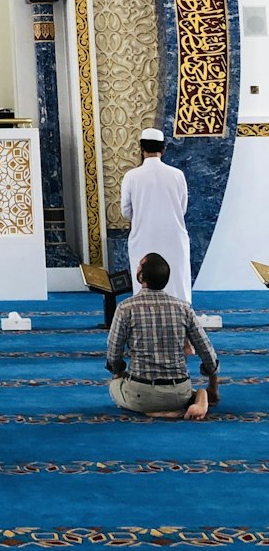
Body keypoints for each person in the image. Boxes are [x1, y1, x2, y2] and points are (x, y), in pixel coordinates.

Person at [106, 251, 219, 419]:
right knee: (194, 391)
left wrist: (117, 372)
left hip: (140, 394)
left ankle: (154, 410)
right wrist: (213, 386)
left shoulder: (125, 308)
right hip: (179, 394)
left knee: (114, 385)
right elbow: (207, 351)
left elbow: (114, 352)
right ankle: (197, 400)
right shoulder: (183, 308)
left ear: (141, 276)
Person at [121, 127, 191, 304]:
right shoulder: (177, 175)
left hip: (143, 237)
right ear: (164, 149)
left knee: (144, 280)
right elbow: (182, 209)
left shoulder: (131, 176)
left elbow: (126, 211)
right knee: (177, 281)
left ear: (141, 149)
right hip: (174, 237)